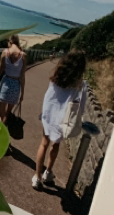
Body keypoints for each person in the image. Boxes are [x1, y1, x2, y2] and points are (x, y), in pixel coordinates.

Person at [33, 50, 87, 191]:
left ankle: (37, 177)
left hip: (50, 116)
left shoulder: (56, 78)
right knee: (55, 145)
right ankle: (48, 172)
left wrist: (44, 113)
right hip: (63, 119)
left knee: (43, 144)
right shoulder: (80, 85)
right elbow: (81, 106)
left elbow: (48, 97)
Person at [0, 35, 26, 124]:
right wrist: (22, 94)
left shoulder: (5, 52)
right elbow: (22, 77)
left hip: (6, 84)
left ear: (10, 42)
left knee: (0, 115)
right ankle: (5, 126)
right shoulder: (23, 56)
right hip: (16, 86)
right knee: (7, 114)